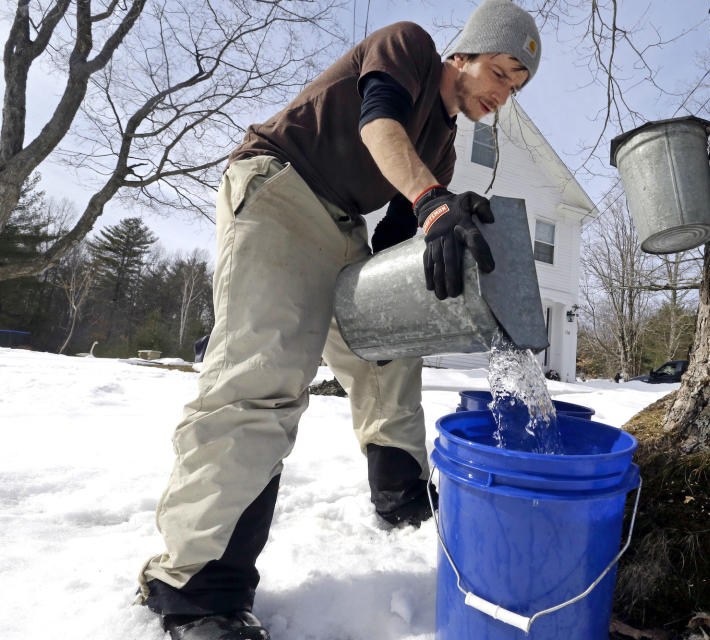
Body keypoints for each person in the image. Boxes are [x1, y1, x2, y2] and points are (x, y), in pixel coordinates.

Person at [135, 1, 542, 639]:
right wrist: (432, 200)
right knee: (261, 380)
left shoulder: (443, 145)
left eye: (515, 88)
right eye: (501, 71)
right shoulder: (408, 45)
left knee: (389, 348)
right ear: (462, 54)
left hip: (342, 223)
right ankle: (194, 586)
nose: (502, 94)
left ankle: (399, 489)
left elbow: (401, 247)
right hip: (280, 188)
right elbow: (379, 125)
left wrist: (443, 222)